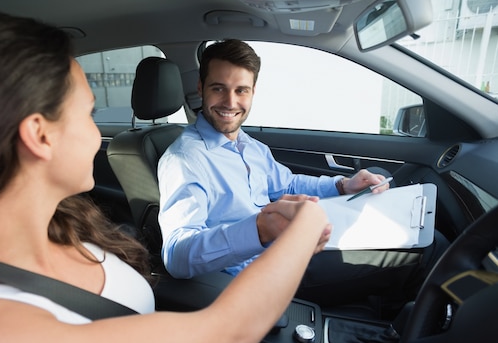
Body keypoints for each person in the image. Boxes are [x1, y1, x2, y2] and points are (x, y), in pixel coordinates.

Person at [0, 10, 331, 343]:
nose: (96, 133)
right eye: (89, 113)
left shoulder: (68, 225)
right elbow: (228, 337)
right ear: (39, 135)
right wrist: (302, 226)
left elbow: (150, 339)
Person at [158, 39, 444, 309]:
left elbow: (287, 183)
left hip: (289, 246)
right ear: (201, 88)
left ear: (253, 92)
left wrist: (343, 185)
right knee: (427, 249)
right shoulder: (186, 159)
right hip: (261, 276)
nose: (230, 102)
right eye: (218, 88)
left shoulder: (248, 145)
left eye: (241, 90)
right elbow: (176, 254)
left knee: (384, 194)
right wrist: (259, 230)